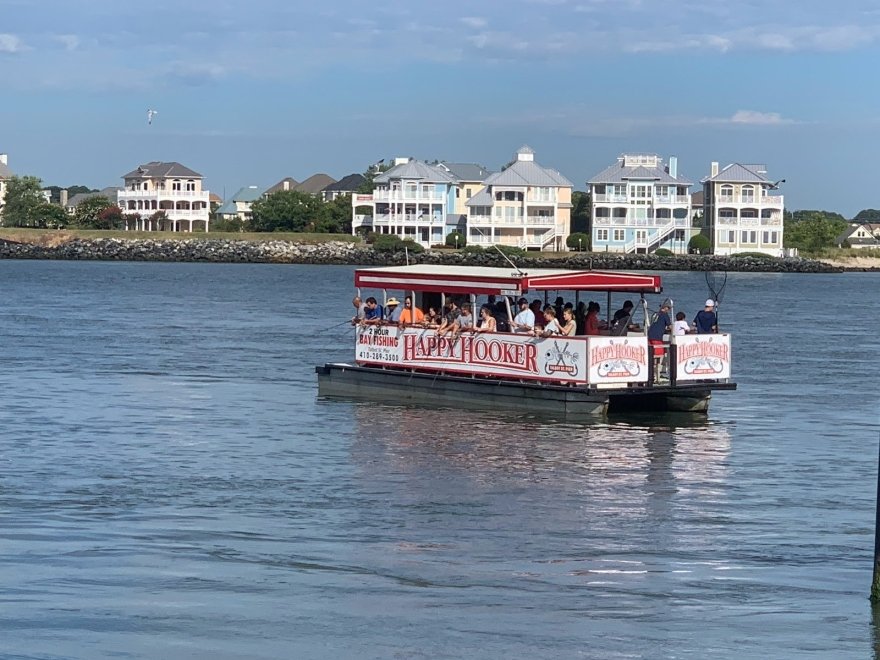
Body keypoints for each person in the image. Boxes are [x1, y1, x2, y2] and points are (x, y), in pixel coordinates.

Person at [648, 302, 672, 381]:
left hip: (650, 336)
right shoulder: (665, 315)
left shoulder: (655, 314)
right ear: (665, 308)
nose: (669, 310)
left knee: (652, 356)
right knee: (659, 357)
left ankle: (652, 375)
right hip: (657, 338)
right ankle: (657, 377)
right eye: (668, 308)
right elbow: (670, 326)